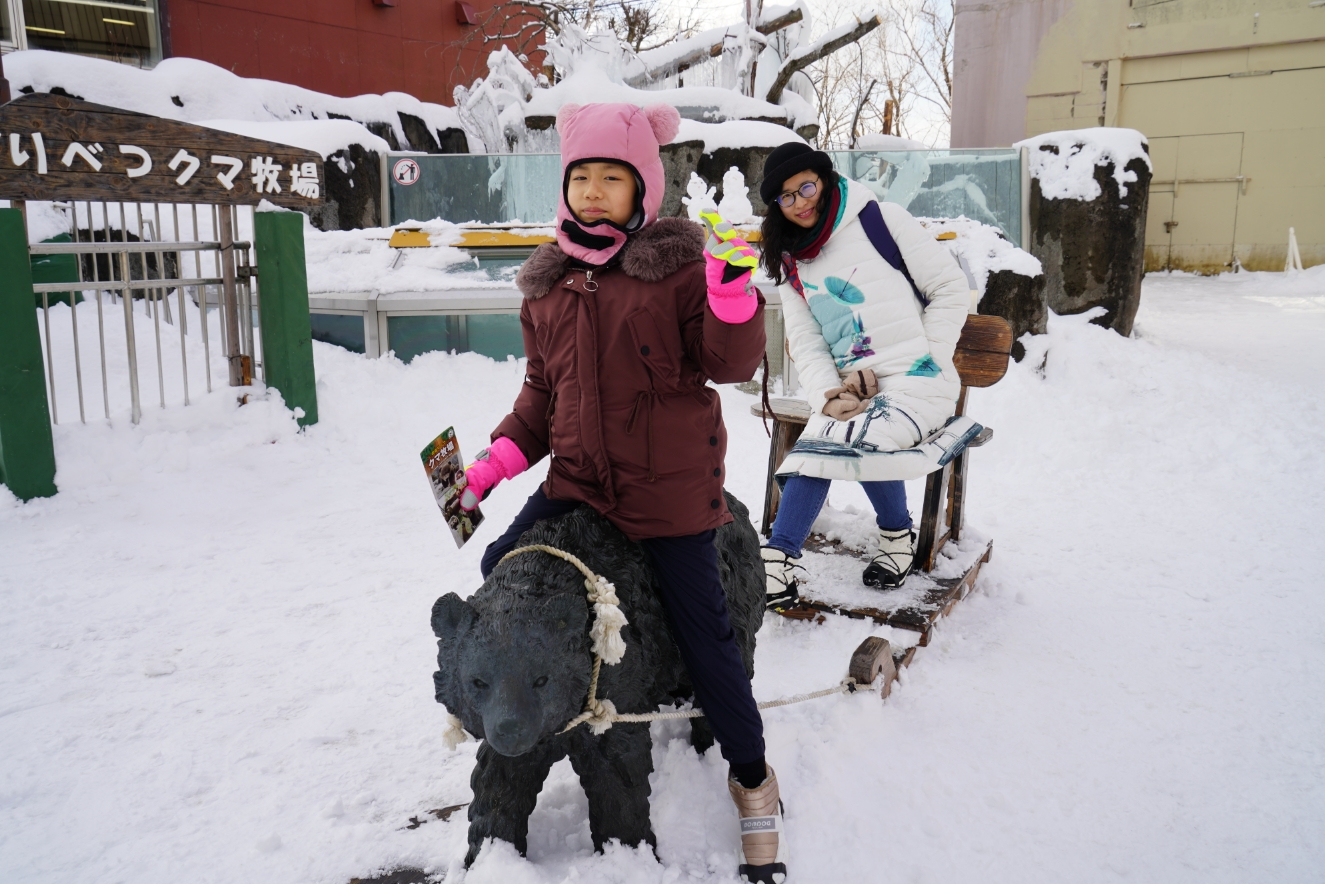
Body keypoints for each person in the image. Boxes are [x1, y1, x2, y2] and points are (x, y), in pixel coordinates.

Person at [457, 102, 789, 884]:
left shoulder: (675, 268)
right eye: (583, 176)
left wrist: (733, 295)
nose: (596, 190)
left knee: (707, 641)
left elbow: (727, 361)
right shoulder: (546, 284)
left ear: (642, 186)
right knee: (500, 569)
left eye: (614, 176)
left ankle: (751, 776)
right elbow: (543, 392)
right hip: (577, 486)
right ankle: (540, 708)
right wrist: (498, 460)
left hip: (667, 496)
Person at [756, 142, 971, 609]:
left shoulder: (880, 219)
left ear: (826, 178)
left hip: (921, 379)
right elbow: (808, 343)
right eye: (786, 197)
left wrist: (927, 359)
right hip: (856, 386)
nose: (800, 202)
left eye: (806, 186)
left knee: (859, 432)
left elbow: (950, 288)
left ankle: (894, 537)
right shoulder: (790, 262)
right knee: (837, 425)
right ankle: (781, 559)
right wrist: (828, 394)